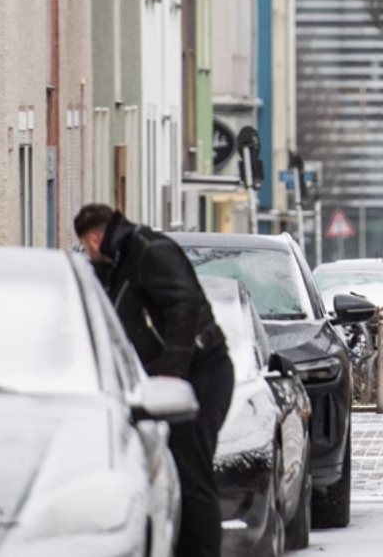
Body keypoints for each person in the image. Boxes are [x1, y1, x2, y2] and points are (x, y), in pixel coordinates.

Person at [74, 204, 233, 557]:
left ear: (95, 239)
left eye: (85, 246)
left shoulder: (149, 250)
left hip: (202, 372)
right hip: (170, 379)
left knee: (192, 473)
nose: (87, 253)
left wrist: (170, 376)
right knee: (171, 475)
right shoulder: (115, 266)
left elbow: (184, 303)